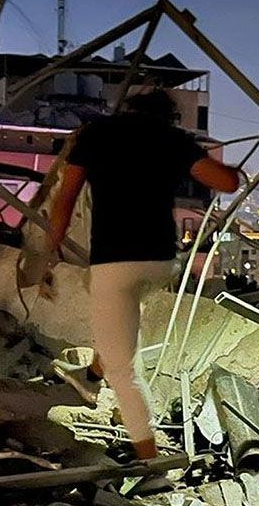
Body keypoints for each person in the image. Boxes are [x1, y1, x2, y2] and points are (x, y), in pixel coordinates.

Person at [44, 89, 242, 459]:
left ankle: (150, 459)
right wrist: (235, 173)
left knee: (123, 365)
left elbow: (66, 197)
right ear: (167, 117)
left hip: (114, 261)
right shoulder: (172, 139)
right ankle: (90, 376)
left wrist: (48, 249)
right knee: (120, 324)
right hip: (159, 261)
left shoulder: (97, 135)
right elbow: (226, 183)